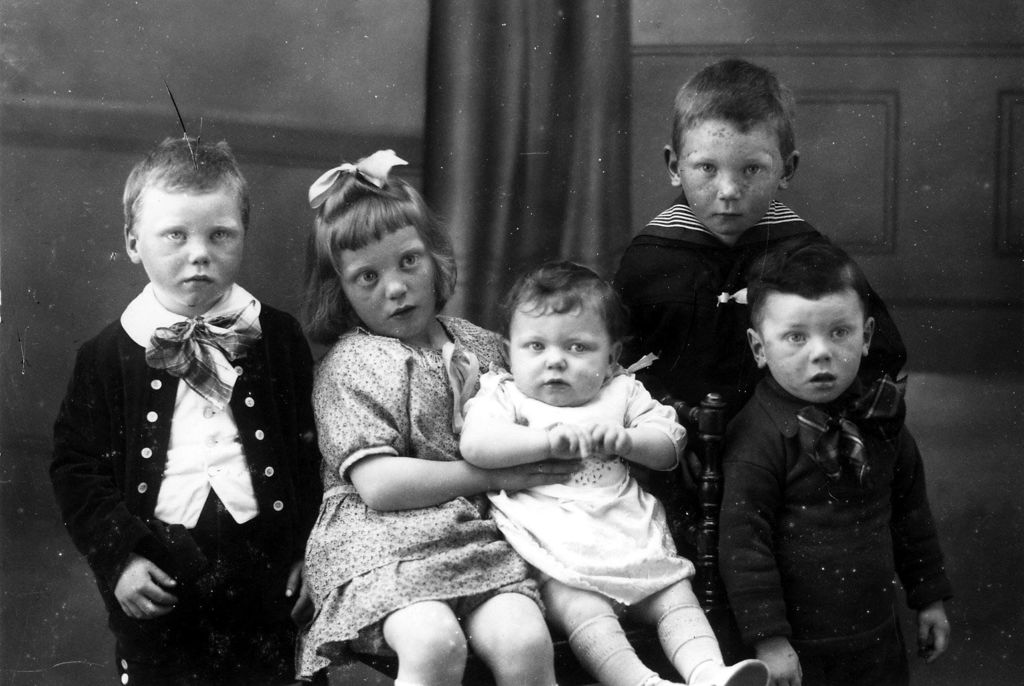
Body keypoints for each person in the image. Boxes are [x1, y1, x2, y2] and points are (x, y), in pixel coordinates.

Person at [296, 150, 577, 686]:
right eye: (367, 277)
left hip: (474, 542)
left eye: (409, 261)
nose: (395, 287)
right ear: (339, 291)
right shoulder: (351, 365)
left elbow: (542, 395)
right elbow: (379, 485)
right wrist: (490, 475)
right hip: (382, 547)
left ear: (435, 259)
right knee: (434, 643)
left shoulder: (479, 345)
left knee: (525, 641)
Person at [50, 136, 322, 685]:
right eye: (175, 235)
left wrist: (314, 554)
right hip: (162, 567)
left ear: (243, 236)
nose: (199, 253)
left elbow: (315, 454)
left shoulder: (278, 337)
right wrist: (120, 558)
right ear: (133, 243)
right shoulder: (106, 354)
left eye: (220, 234)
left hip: (268, 566)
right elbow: (76, 470)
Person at [612, 57, 908, 552]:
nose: (729, 191)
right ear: (673, 166)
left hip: (792, 458)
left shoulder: (810, 258)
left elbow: (879, 357)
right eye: (706, 168)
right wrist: (665, 431)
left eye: (752, 169)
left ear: (787, 169)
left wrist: (828, 432)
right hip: (675, 454)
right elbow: (619, 364)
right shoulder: (650, 260)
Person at [460, 261, 769, 686]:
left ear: (611, 358)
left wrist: (627, 441)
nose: (555, 361)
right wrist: (545, 442)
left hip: (625, 530)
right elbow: (477, 445)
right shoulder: (506, 395)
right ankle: (641, 683)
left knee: (675, 595)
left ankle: (708, 673)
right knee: (583, 610)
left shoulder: (621, 391)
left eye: (578, 347)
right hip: (553, 543)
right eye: (535, 346)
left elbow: (670, 444)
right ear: (509, 351)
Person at [718, 242, 952, 686]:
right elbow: (744, 547)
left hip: (877, 635)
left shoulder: (878, 418)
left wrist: (929, 600)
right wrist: (770, 640)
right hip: (798, 647)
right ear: (759, 347)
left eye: (839, 332)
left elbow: (911, 515)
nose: (821, 353)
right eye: (796, 337)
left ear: (866, 337)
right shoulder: (758, 439)